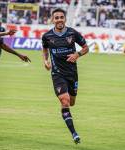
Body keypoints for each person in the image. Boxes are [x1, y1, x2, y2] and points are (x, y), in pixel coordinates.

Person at [42, 8, 89, 144]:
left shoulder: (72, 33)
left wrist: (77, 54)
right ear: (52, 20)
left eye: (61, 17)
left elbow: (86, 48)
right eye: (56, 18)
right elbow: (45, 49)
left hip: (72, 74)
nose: (59, 20)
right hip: (57, 74)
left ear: (65, 19)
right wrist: (46, 61)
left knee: (71, 102)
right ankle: (74, 133)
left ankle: (66, 112)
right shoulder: (47, 36)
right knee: (65, 101)